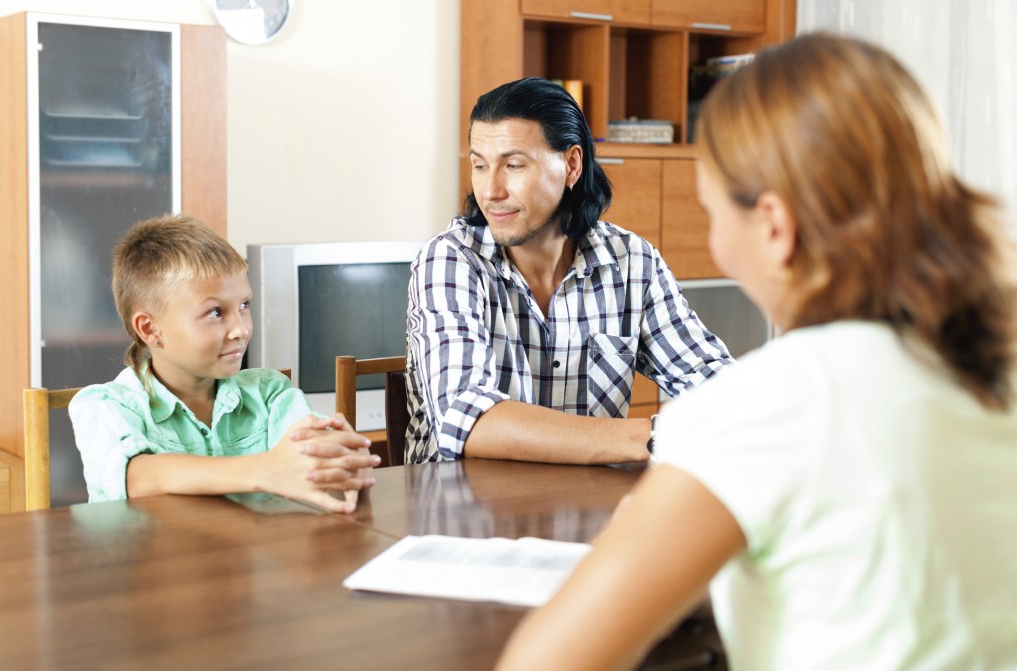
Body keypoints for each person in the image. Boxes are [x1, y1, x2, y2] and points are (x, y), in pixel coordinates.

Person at [497, 33, 1017, 670]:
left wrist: (662, 520)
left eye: (713, 212)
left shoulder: (774, 402)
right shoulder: (990, 360)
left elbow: (546, 663)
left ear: (773, 226)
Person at [405, 77, 733, 464]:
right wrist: (657, 436)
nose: (490, 190)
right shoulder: (449, 261)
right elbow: (468, 422)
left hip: (591, 509)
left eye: (512, 165)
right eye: (479, 165)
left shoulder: (632, 262)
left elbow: (714, 381)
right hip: (465, 512)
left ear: (571, 164)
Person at [70, 214, 379, 513]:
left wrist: (340, 456)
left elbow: (312, 457)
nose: (241, 329)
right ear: (150, 329)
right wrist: (266, 469)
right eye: (216, 312)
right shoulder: (103, 406)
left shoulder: (268, 393)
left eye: (244, 305)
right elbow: (138, 477)